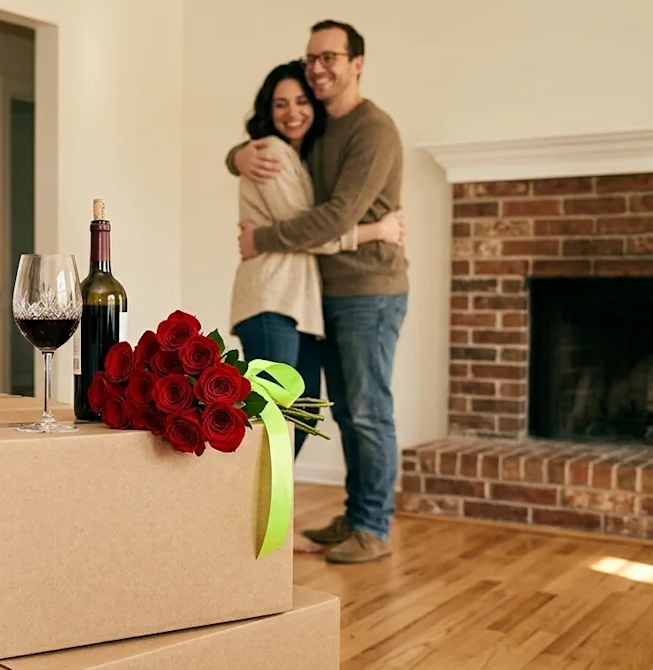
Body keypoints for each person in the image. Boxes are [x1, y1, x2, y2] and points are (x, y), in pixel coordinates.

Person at [227, 20, 408, 565]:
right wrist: (238, 152)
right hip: (320, 292)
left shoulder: (373, 129)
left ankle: (372, 526)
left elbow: (334, 217)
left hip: (369, 289)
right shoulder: (323, 126)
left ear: (358, 62)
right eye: (311, 58)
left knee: (368, 411)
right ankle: (355, 518)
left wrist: (263, 238)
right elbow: (278, 154)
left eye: (330, 57)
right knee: (342, 411)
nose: (319, 67)